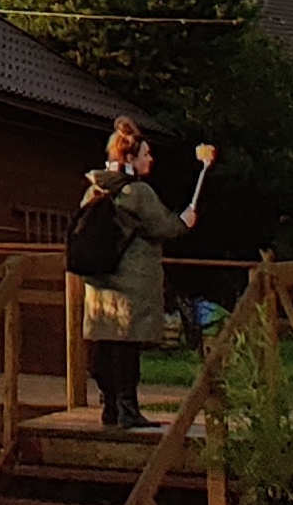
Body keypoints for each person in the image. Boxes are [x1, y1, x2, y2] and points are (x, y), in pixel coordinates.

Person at [69, 118, 212, 432]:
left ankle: (109, 408)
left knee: (106, 346)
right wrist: (186, 219)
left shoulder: (95, 190)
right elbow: (167, 227)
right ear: (129, 158)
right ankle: (127, 410)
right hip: (131, 285)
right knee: (126, 349)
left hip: (101, 285)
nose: (151, 159)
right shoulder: (139, 192)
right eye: (146, 154)